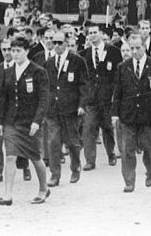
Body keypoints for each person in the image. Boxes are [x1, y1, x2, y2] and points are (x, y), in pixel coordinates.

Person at [0, 36, 50, 206]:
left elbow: (43, 99)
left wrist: (37, 121)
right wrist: (0, 122)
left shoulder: (38, 72)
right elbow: (3, 98)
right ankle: (7, 195)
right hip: (11, 122)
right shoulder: (8, 72)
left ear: (26, 51)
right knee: (10, 156)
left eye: (18, 51)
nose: (14, 54)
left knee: (35, 157)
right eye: (12, 50)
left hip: (30, 122)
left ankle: (43, 188)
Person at [112, 34, 151, 193]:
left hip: (147, 116)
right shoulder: (123, 67)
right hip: (127, 116)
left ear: (144, 47)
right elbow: (117, 92)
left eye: (138, 48)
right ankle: (129, 181)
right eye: (131, 48)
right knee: (127, 150)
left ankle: (150, 170)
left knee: (148, 148)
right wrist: (115, 114)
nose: (134, 51)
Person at [44, 31, 86, 186]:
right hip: (53, 110)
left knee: (73, 142)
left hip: (71, 109)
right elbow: (45, 86)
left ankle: (75, 167)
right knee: (53, 142)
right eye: (54, 43)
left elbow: (84, 85)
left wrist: (82, 105)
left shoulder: (77, 61)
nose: (56, 46)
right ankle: (55, 175)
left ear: (66, 43)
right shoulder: (49, 63)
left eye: (59, 43)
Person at [79, 24, 121, 169]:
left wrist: (115, 95)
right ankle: (90, 160)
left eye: (95, 32)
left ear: (101, 34)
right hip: (91, 98)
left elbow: (118, 75)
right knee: (89, 128)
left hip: (107, 97)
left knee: (107, 127)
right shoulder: (84, 54)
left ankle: (111, 154)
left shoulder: (114, 52)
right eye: (90, 33)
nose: (93, 35)